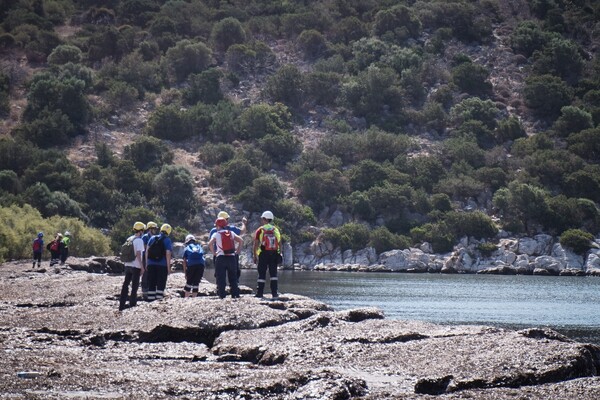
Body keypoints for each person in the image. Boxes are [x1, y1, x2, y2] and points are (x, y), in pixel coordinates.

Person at [208, 218, 243, 299]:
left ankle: (222, 295)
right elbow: (241, 240)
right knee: (233, 278)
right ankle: (235, 295)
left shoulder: (216, 234)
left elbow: (210, 244)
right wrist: (237, 251)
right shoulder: (231, 233)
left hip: (221, 258)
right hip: (231, 258)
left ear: (218, 226)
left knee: (221, 278)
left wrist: (214, 253)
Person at [252, 211, 282, 299]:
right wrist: (279, 254)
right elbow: (280, 243)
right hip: (274, 254)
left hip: (263, 254)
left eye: (262, 219)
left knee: (261, 273)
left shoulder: (260, 230)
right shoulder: (275, 229)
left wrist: (255, 255)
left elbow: (256, 244)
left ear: (264, 219)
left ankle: (260, 293)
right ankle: (275, 293)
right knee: (273, 274)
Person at [119, 222, 146, 311]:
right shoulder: (139, 240)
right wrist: (142, 267)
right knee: (134, 286)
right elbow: (138, 254)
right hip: (136, 266)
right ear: (141, 231)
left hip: (127, 264)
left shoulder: (129, 239)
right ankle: (132, 305)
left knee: (125, 284)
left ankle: (121, 304)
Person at [145, 223, 172, 301]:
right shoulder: (167, 240)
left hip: (151, 264)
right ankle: (158, 301)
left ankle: (150, 300)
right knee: (161, 283)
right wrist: (168, 267)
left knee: (151, 283)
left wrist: (147, 263)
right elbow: (168, 254)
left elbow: (147, 251)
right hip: (162, 265)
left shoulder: (152, 238)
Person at [141, 221, 159, 300]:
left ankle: (151, 290)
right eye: (154, 229)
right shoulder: (145, 237)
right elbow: (144, 247)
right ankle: (145, 292)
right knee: (145, 274)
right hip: (145, 258)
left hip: (152, 258)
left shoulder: (155, 237)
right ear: (150, 229)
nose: (155, 230)